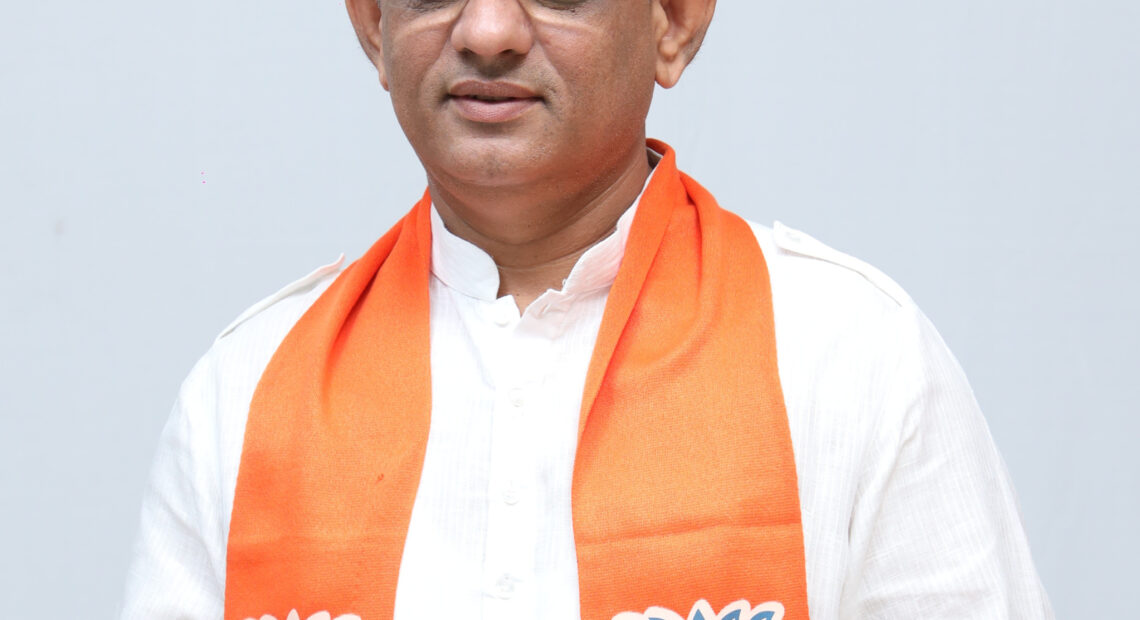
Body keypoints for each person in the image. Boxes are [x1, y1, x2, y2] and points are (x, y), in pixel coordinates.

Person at [123, 1, 1053, 619]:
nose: (488, 30)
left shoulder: (849, 359)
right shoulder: (246, 394)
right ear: (373, 24)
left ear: (673, 20)